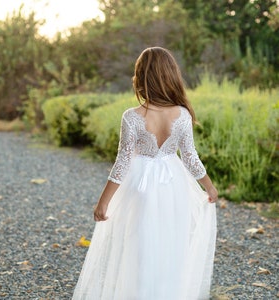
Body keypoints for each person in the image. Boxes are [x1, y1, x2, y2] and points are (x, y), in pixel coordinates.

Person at [72, 46, 218, 300]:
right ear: (170, 75)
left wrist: (104, 201)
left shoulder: (132, 116)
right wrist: (209, 186)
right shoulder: (182, 114)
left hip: (139, 186)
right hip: (174, 186)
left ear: (140, 78)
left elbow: (123, 162)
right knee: (171, 245)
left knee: (139, 246)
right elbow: (191, 158)